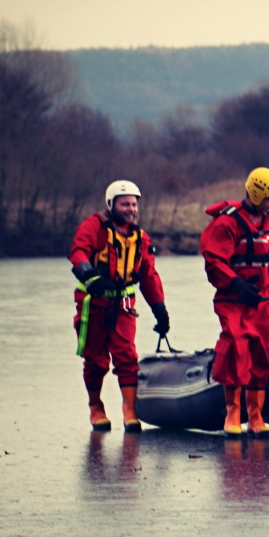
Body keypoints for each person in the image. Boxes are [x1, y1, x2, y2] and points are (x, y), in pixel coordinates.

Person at [199, 167, 269, 437]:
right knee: (235, 348)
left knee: (260, 355)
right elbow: (214, 262)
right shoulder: (227, 222)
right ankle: (232, 413)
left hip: (264, 299)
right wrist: (237, 284)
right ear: (256, 194)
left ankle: (255, 416)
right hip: (234, 299)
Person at [69, 180, 169, 432]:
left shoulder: (140, 237)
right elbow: (78, 252)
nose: (131, 209)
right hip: (93, 303)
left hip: (123, 303)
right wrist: (89, 275)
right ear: (111, 204)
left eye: (134, 204)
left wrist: (160, 310)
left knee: (126, 356)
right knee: (96, 360)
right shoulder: (94, 226)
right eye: (125, 204)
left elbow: (149, 275)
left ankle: (130, 410)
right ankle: (96, 406)